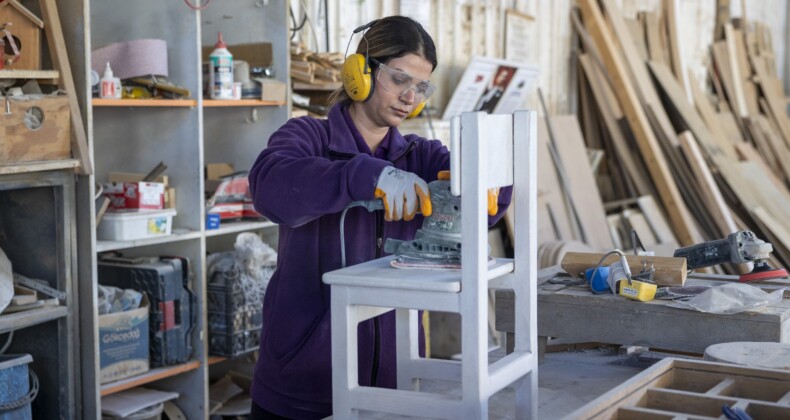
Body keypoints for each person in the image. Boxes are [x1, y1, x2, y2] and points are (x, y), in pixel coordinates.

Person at [248, 15, 511, 419]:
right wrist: (366, 177)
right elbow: (269, 187)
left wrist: (490, 181)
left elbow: (489, 198)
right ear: (361, 72)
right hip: (303, 386)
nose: (410, 97)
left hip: (394, 387)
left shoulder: (422, 156)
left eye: (420, 87)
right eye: (400, 79)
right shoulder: (307, 138)